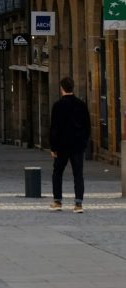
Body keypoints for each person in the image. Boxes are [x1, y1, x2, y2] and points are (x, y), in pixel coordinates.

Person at [49, 76, 91, 213]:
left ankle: (57, 201)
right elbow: (87, 127)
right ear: (73, 88)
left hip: (61, 146)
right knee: (78, 174)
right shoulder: (81, 105)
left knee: (57, 173)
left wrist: (53, 147)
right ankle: (78, 204)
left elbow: (54, 128)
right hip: (77, 146)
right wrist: (84, 142)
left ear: (62, 89)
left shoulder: (58, 106)